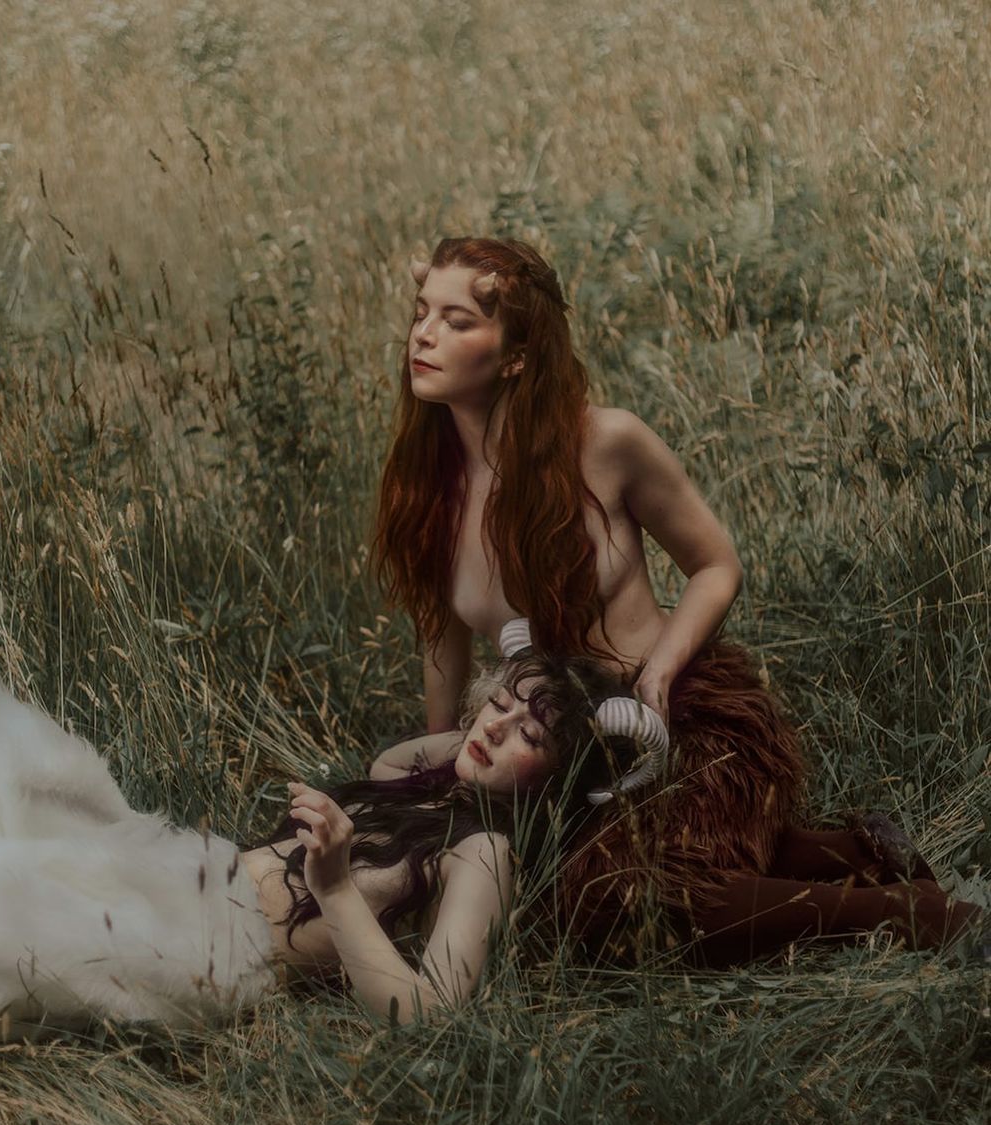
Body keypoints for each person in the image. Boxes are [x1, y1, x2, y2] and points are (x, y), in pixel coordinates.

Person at [371, 237, 982, 961]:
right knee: (541, 903)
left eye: (456, 320)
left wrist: (659, 671)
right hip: (560, 753)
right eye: (421, 313)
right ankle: (852, 851)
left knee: (625, 895)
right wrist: (443, 777)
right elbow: (441, 636)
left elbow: (716, 566)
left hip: (672, 715)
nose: (424, 335)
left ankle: (909, 914)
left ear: (516, 356)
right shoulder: (427, 483)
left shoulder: (605, 442)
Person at [0, 652, 633, 1042]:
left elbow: (434, 1014)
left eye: (527, 734)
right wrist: (511, 712)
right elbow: (398, 757)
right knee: (2, 754)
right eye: (496, 703)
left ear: (558, 781)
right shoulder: (421, 790)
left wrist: (336, 886)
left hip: (209, 948)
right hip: (186, 864)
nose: (494, 727)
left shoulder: (484, 854)